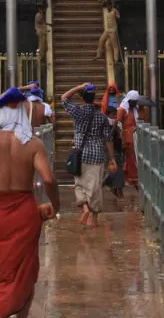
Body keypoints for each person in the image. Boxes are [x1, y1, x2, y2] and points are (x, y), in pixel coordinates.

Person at [0, 88, 60, 318]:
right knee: (25, 271)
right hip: (25, 211)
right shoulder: (33, 144)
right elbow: (48, 179)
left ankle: (0, 310)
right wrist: (56, 205)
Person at [61, 83, 117, 227]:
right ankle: (95, 219)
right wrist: (112, 159)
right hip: (97, 155)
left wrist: (78, 87)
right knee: (95, 187)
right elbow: (108, 139)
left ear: (83, 98)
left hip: (81, 154)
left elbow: (63, 98)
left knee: (79, 184)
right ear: (94, 98)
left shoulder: (78, 112)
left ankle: (85, 208)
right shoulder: (102, 117)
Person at [116, 89, 147, 187]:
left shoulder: (134, 110)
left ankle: (133, 178)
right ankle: (130, 178)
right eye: (134, 102)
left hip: (135, 137)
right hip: (126, 137)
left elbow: (142, 119)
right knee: (129, 158)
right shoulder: (122, 109)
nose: (135, 103)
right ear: (129, 101)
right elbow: (118, 123)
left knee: (134, 158)